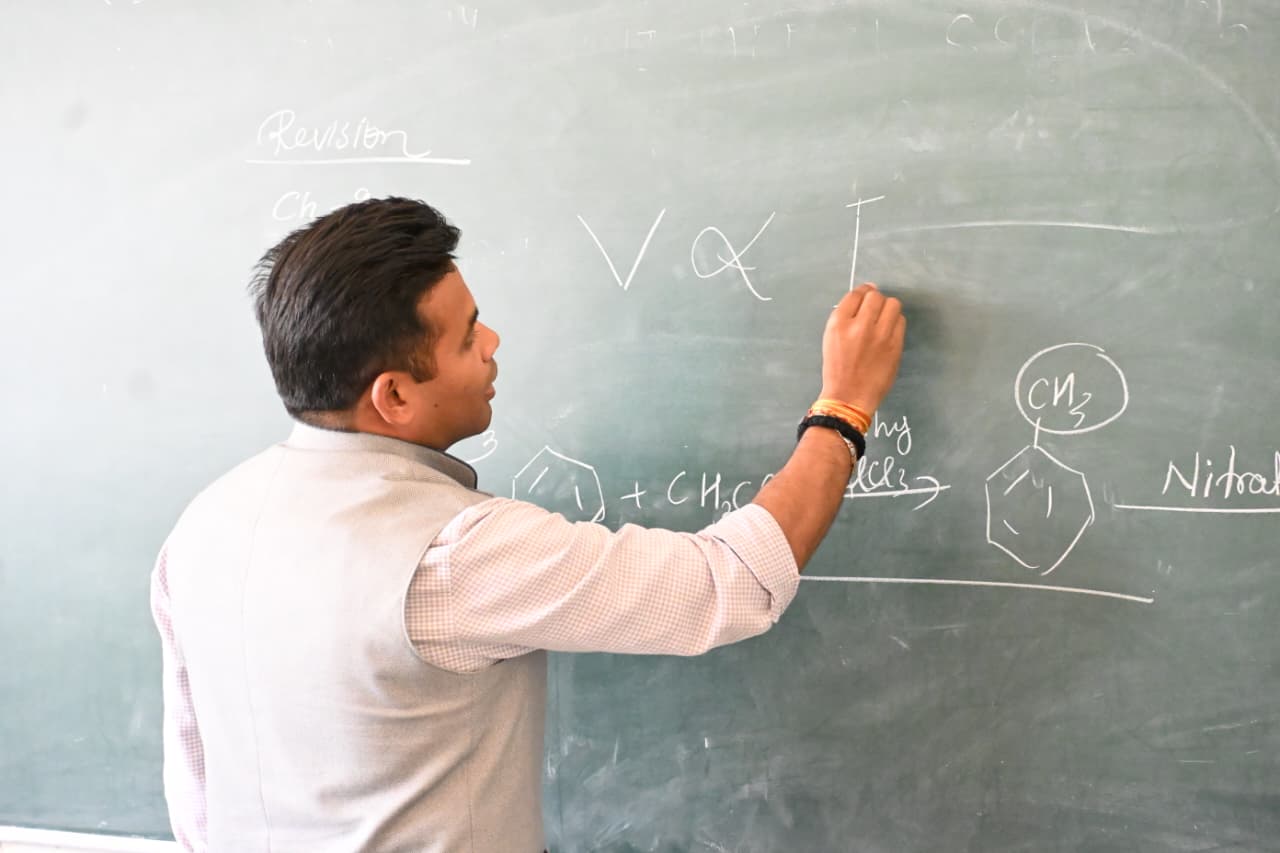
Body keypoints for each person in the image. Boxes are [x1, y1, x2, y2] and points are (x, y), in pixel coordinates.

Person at [150, 196, 905, 852]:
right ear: (395, 396)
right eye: (467, 335)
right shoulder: (453, 556)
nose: (492, 343)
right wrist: (844, 408)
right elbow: (730, 583)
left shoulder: (202, 528)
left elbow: (196, 790)